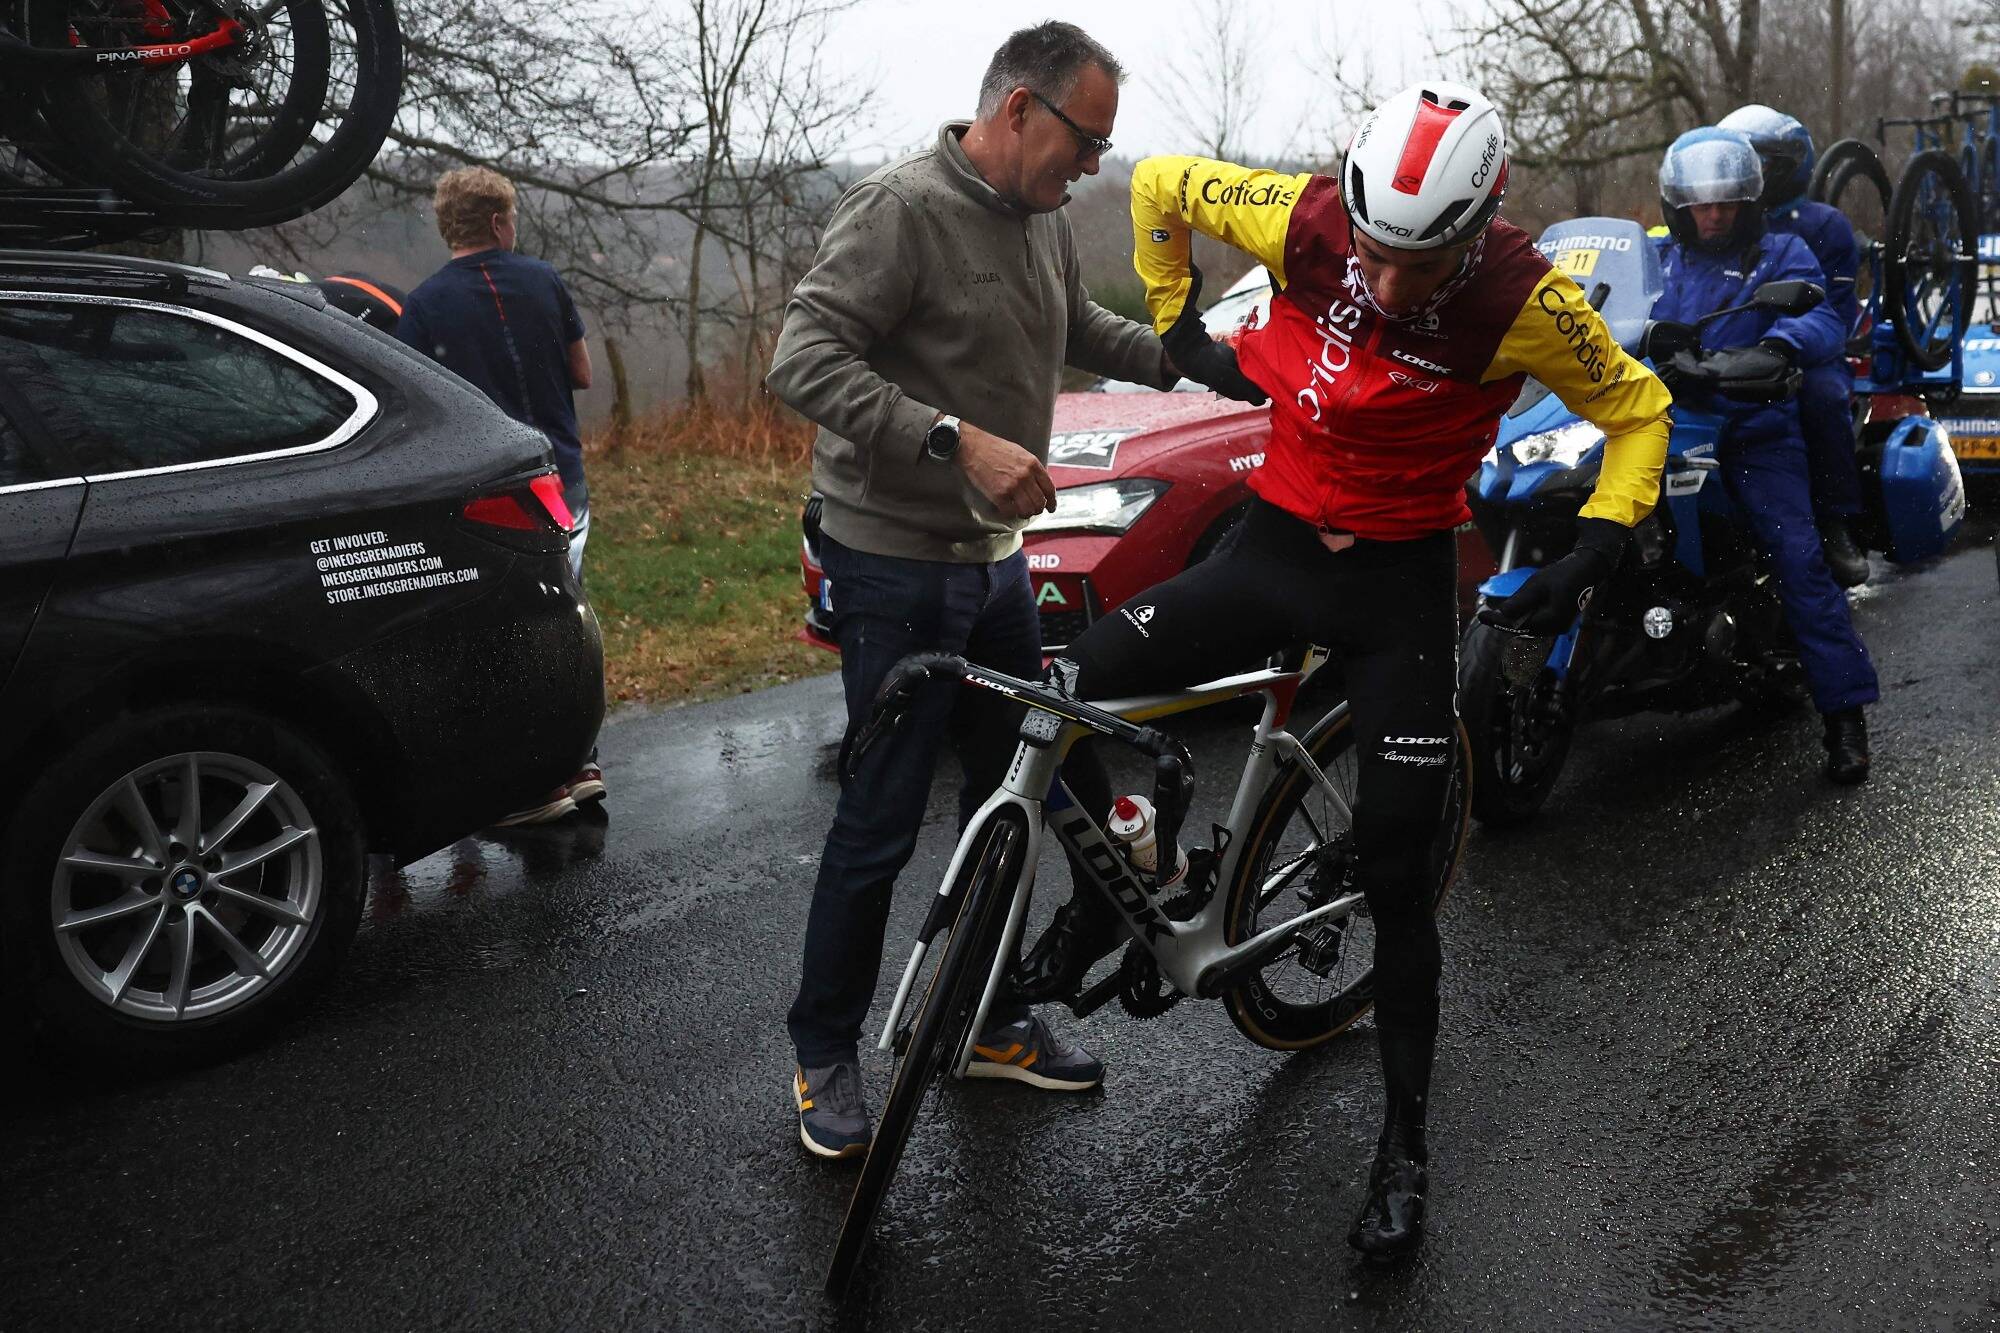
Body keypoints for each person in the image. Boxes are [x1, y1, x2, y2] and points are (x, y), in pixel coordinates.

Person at [1024, 81, 1674, 1263]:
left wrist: (1599, 537)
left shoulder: (1526, 298)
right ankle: (1095, 900)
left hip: (1394, 588)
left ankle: (1404, 1147)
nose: (1378, 284)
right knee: (1078, 678)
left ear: (1472, 235)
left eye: (1414, 266)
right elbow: (1163, 185)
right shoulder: (1308, 216)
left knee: (1393, 863)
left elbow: (1637, 411)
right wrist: (1173, 319)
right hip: (1273, 546)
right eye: (1368, 252)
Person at [765, 21, 1179, 1160]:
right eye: (1084, 138)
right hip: (892, 563)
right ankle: (824, 1052)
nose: (1091, 164)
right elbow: (800, 358)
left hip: (996, 564)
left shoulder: (1038, 218)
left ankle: (985, 1020)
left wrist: (1191, 353)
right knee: (881, 817)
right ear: (1016, 111)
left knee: (1016, 791)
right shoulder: (900, 209)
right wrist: (956, 441)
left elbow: (1072, 327)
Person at [1651, 127, 1878, 783]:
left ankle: (1845, 716)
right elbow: (1605, 311)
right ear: (1680, 204)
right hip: (1663, 425)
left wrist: (1777, 347)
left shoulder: (1781, 251)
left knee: (1800, 559)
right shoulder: (1658, 258)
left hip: (1755, 427)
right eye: (1701, 202)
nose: (1713, 214)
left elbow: (1821, 317)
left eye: (1725, 202)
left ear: (1748, 200)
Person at [397, 166, 605, 825]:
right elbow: (582, 371)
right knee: (563, 619)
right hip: (559, 480)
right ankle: (581, 760)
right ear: (496, 223)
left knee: (496, 631)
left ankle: (532, 783)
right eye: (511, 217)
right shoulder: (544, 280)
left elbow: (413, 407)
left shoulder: (425, 304)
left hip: (483, 491)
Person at [1717, 104, 1872, 587]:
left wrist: (1780, 346)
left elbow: (1831, 317)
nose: (1748, 173)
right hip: (1728, 347)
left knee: (1822, 398)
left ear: (1789, 166)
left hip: (1806, 352)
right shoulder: (1724, 217)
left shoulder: (1824, 225)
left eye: (1758, 162)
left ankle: (1835, 522)